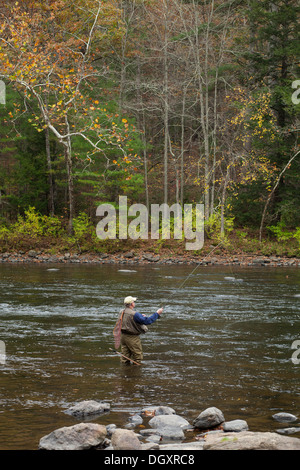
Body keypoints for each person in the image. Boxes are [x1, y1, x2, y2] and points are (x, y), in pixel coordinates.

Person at [119, 296, 163, 365]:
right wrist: (157, 314)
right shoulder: (135, 314)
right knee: (137, 358)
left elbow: (128, 320)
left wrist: (141, 317)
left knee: (125, 357)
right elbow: (147, 321)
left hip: (123, 337)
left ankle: (125, 372)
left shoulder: (122, 311)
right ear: (132, 304)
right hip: (132, 338)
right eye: (134, 302)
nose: (134, 303)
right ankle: (136, 374)